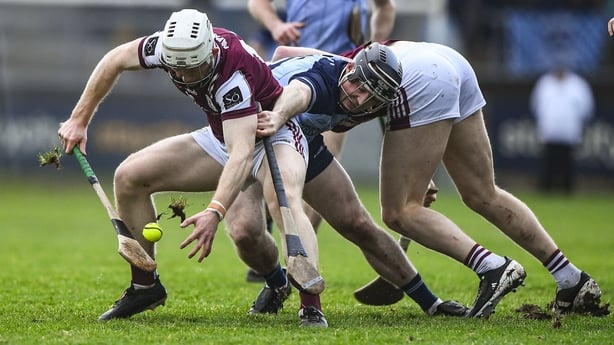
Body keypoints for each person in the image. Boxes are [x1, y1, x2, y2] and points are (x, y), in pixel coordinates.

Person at [271, 40, 603, 317]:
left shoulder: (338, 78)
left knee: (400, 211)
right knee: (482, 193)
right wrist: (416, 164)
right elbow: (285, 51)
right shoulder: (344, 66)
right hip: (450, 62)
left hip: (420, 81)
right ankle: (570, 278)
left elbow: (381, 97)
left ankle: (492, 267)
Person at [57, 9, 321, 324]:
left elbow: (242, 154)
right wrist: (79, 119)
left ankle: (311, 303)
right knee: (131, 178)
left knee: (284, 203)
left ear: (209, 52)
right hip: (226, 137)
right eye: (176, 70)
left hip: (273, 137)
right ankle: (145, 286)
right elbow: (115, 59)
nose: (183, 78)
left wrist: (214, 210)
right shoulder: (168, 48)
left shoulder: (232, 73)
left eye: (192, 70)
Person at [230, 42, 468, 327]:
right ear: (352, 68)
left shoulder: (376, 95)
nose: (358, 98)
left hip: (303, 138)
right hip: (258, 133)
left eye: (371, 97)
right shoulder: (330, 73)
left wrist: (420, 174)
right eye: (358, 85)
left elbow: (395, 128)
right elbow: (290, 70)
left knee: (356, 222)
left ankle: (430, 302)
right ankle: (278, 283)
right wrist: (278, 110)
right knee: (245, 230)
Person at [247, 0, 396, 231]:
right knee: (271, 164)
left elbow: (385, 7)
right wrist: (276, 26)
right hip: (296, 69)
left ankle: (304, 249)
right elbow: (258, 3)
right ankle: (267, 243)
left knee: (324, 160)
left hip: (342, 82)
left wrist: (373, 50)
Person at [530, 65, 594, 194]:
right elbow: (535, 106)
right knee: (548, 166)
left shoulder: (578, 85)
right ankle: (546, 191)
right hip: (549, 134)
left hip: (569, 135)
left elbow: (587, 109)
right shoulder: (544, 83)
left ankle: (567, 192)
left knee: (567, 166)